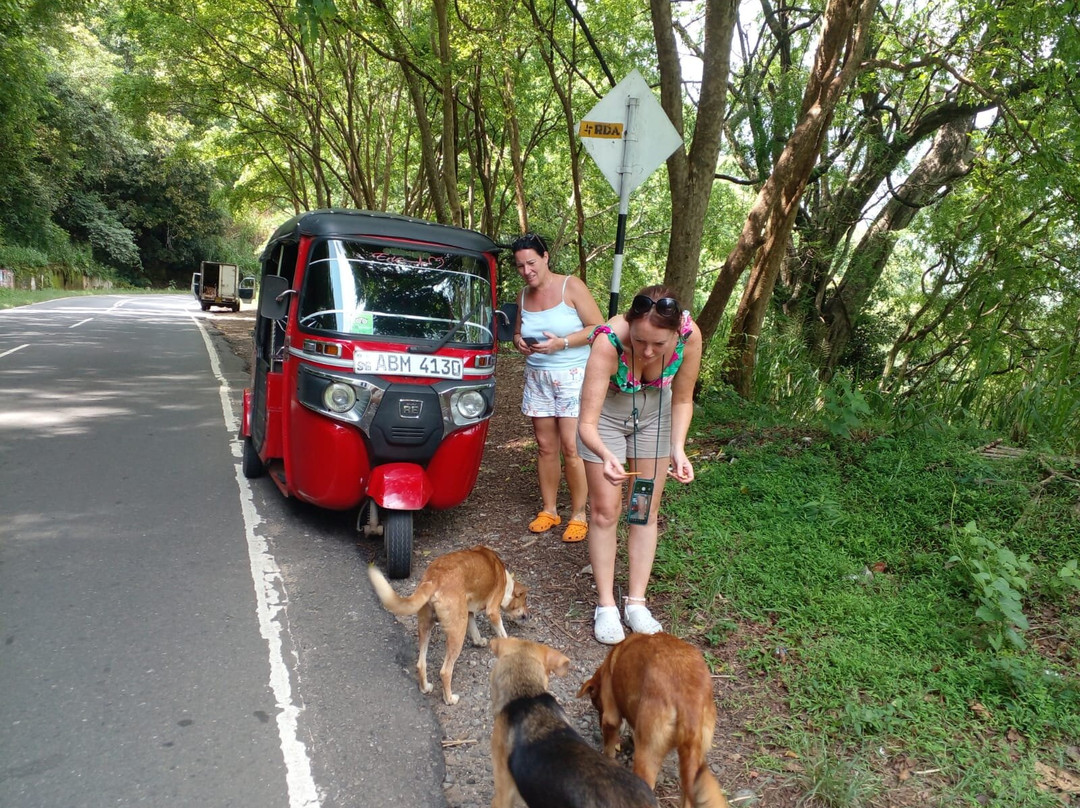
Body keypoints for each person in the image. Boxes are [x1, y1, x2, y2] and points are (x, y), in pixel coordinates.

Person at [576, 285, 703, 644]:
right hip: (606, 418)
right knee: (604, 510)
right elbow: (585, 423)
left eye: (658, 345)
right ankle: (606, 606)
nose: (647, 351)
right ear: (629, 325)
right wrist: (605, 454)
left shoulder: (690, 339)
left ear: (676, 334)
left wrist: (678, 448)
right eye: (640, 340)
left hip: (656, 415)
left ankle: (636, 603)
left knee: (642, 508)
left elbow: (682, 399)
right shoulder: (608, 343)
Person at [510, 232, 605, 543]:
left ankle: (579, 514)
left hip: (573, 375)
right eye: (521, 266)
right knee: (545, 446)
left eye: (532, 263)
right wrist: (520, 343)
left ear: (546, 257)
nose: (527, 271)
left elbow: (598, 328)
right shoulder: (523, 296)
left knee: (571, 447)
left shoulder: (571, 286)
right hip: (538, 377)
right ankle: (549, 509)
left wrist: (562, 343)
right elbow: (516, 334)